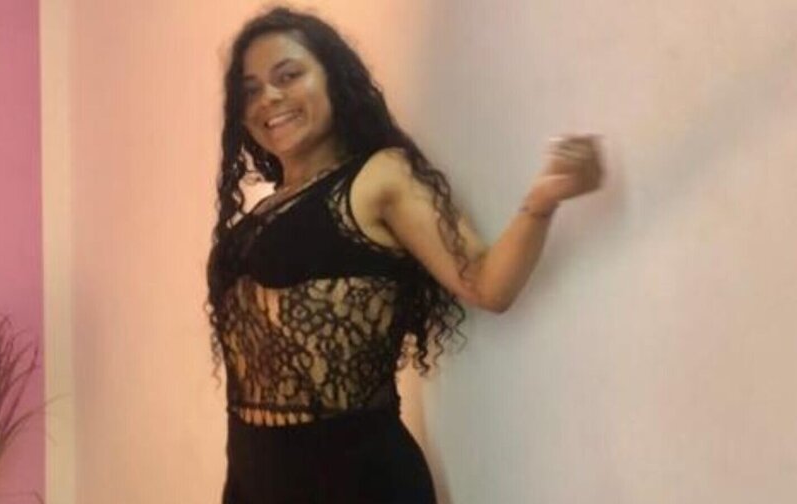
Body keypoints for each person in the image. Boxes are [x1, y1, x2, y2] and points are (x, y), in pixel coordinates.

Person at [205, 6, 604, 503]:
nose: (269, 97)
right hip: (251, 477)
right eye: (251, 90)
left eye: (289, 75)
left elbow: (487, 284)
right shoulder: (264, 210)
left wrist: (543, 200)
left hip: (356, 483)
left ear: (334, 79)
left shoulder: (379, 176)